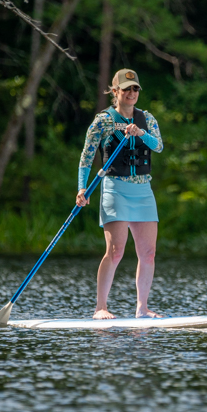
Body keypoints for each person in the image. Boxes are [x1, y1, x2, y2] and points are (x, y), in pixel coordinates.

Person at [76, 69, 164, 319]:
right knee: (115, 251)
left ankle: (142, 309)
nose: (132, 93)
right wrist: (82, 188)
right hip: (115, 188)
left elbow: (158, 146)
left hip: (143, 190)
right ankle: (100, 308)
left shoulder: (147, 118)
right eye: (126, 89)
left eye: (135, 88)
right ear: (115, 92)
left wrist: (140, 133)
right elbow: (86, 156)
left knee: (148, 253)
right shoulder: (103, 120)